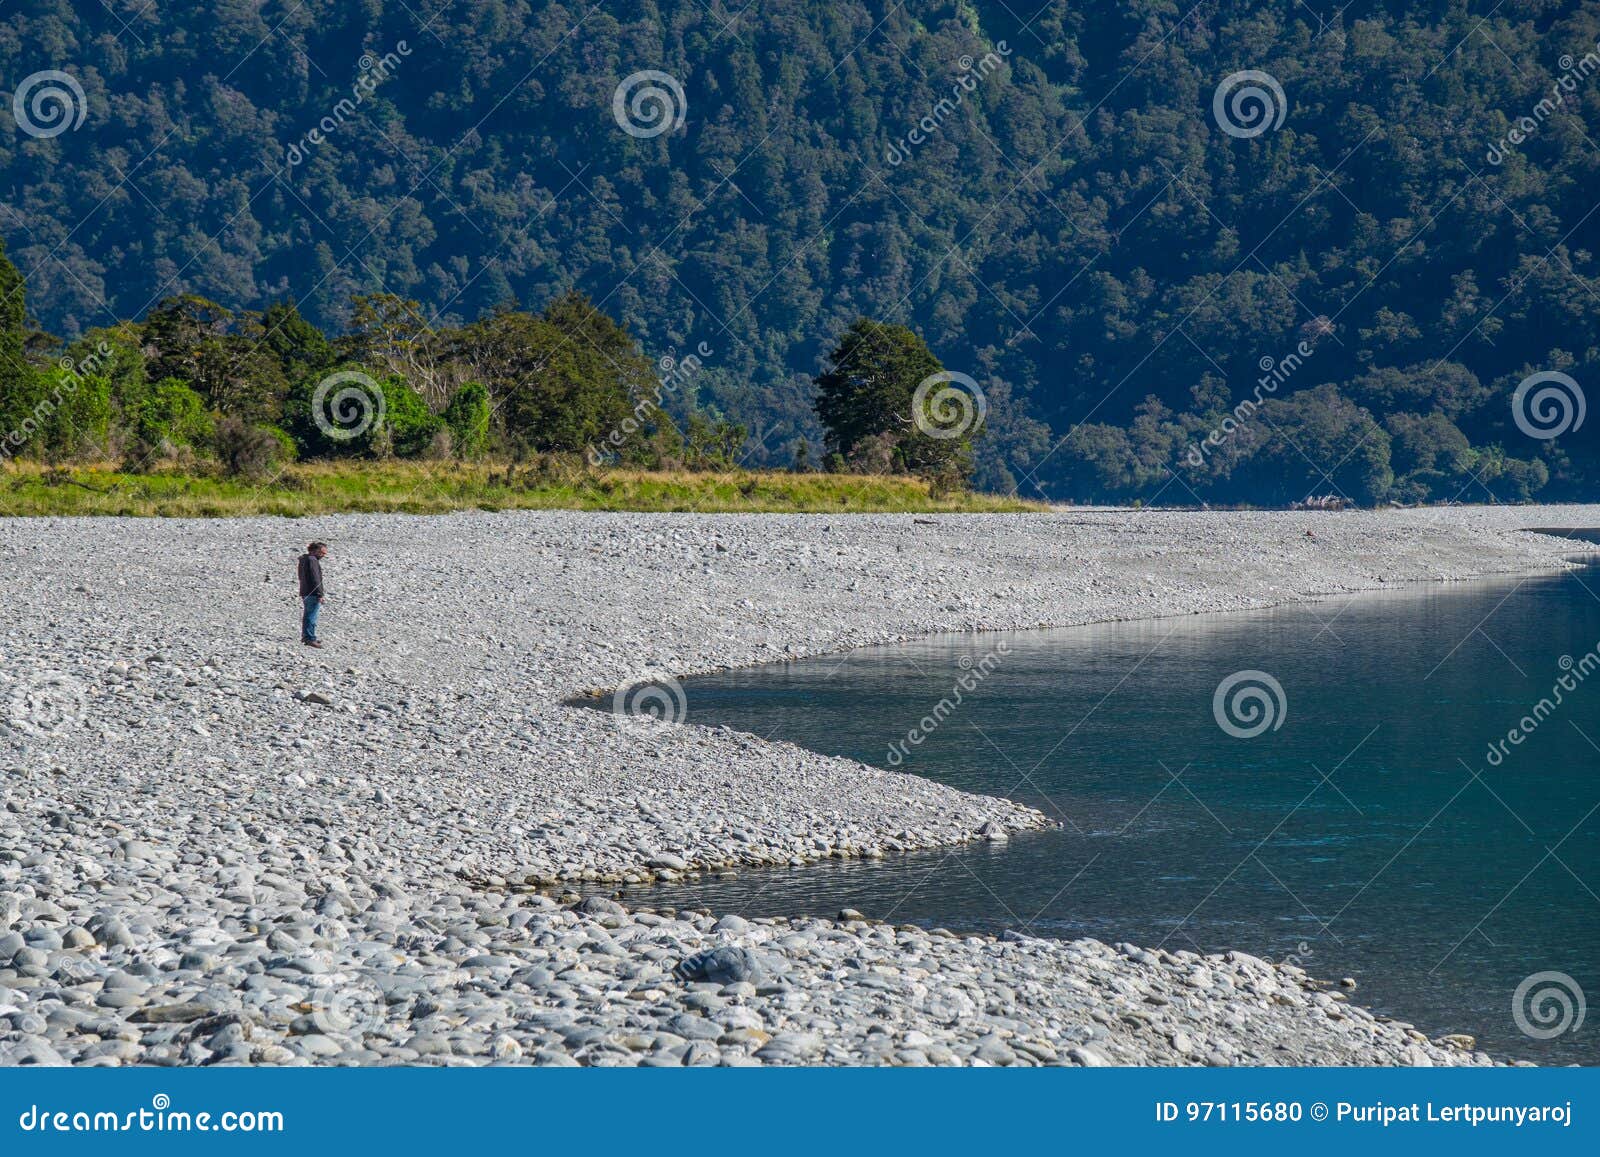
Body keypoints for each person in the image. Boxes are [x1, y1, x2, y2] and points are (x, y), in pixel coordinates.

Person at [297, 541, 329, 647]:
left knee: (308, 614)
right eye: (322, 552)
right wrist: (320, 593)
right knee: (311, 616)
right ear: (314, 551)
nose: (324, 555)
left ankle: (307, 636)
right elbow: (316, 578)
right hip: (312, 592)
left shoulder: (304, 559)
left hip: (305, 591)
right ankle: (310, 638)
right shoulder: (312, 560)